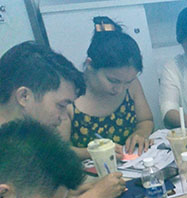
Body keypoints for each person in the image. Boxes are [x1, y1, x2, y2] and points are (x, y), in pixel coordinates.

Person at [0, 42, 125, 198]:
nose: (64, 116)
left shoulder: (22, 140)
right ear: (24, 97)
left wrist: (69, 194)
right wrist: (94, 197)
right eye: (60, 105)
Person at [60, 16, 154, 158]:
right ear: (90, 65)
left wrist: (140, 133)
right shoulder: (69, 97)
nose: (120, 89)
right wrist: (93, 152)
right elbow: (60, 151)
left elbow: (146, 120)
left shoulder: (131, 85)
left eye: (128, 82)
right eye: (113, 81)